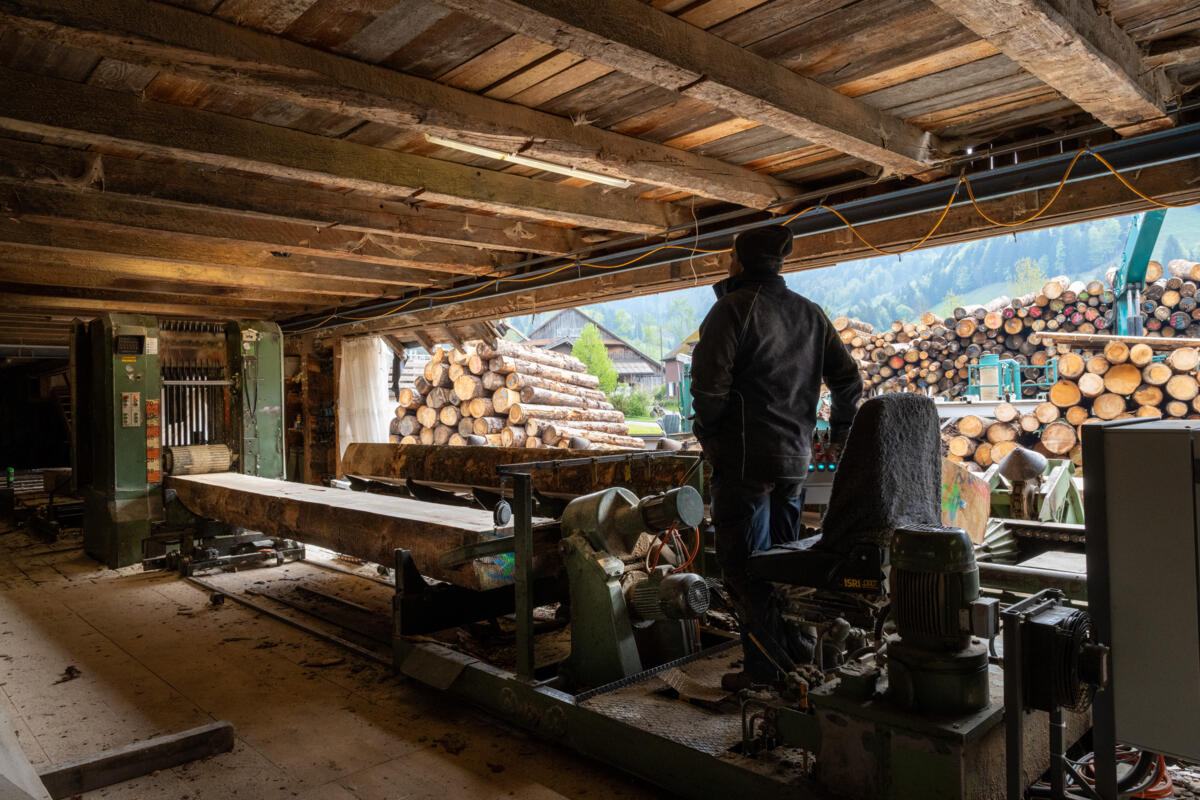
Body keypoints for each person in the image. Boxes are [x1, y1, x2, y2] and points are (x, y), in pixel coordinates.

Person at [689, 224, 863, 689]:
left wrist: (710, 433)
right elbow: (849, 380)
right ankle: (798, 660)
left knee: (747, 569)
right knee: (785, 567)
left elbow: (707, 390)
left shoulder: (732, 309)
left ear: (739, 261)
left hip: (744, 466)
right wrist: (839, 433)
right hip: (793, 465)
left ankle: (765, 672)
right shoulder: (810, 314)